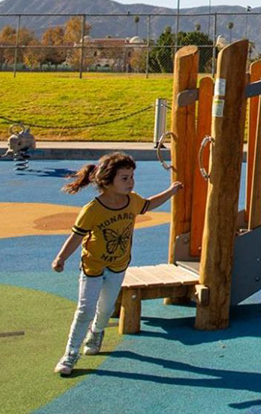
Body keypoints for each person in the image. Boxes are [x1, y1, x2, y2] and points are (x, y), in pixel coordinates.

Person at [51, 151, 182, 376]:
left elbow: (148, 205)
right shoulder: (92, 209)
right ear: (107, 180)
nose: (130, 182)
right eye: (124, 178)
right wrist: (61, 258)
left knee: (106, 309)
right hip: (93, 265)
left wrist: (170, 192)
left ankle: (97, 331)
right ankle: (70, 354)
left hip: (118, 265)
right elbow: (76, 236)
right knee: (85, 309)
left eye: (132, 177)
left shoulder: (132, 201)